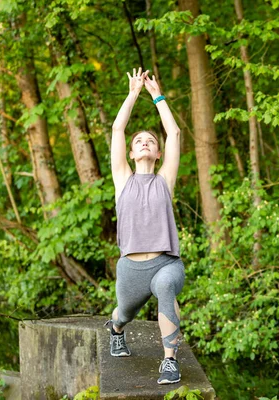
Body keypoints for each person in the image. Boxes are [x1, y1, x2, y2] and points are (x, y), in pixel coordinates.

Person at [105, 67, 184, 385]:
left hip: (166, 262)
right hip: (131, 269)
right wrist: (133, 93)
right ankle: (115, 330)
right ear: (131, 153)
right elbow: (116, 129)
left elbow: (175, 133)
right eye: (139, 141)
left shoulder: (165, 180)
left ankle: (169, 362)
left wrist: (156, 95)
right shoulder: (123, 180)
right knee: (124, 313)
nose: (145, 143)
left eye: (150, 141)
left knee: (166, 287)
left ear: (158, 152)